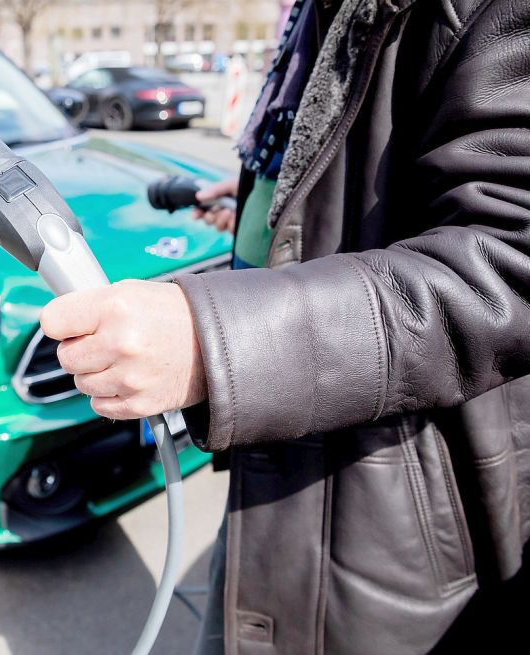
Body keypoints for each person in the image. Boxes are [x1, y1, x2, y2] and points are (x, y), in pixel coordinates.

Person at [39, 0, 530, 653]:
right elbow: (330, 162)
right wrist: (254, 194)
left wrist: (209, 341)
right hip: (275, 434)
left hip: (383, 492)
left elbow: (506, 262)